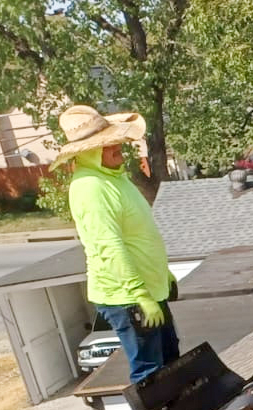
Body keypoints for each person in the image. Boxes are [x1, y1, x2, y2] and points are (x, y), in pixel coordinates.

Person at [54, 105, 179, 386]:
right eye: (108, 145)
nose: (118, 149)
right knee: (150, 369)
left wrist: (162, 273)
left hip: (147, 286)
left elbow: (138, 233)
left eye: (115, 142)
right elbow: (108, 246)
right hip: (126, 295)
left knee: (171, 358)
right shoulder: (90, 187)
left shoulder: (114, 177)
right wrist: (140, 295)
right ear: (88, 152)